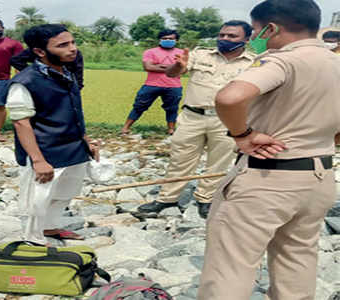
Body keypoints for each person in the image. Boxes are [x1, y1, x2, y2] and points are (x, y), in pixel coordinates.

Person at [197, 1, 340, 299]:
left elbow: (230, 97)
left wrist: (243, 135)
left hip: (268, 178)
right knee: (297, 258)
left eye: (257, 31)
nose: (254, 39)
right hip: (319, 177)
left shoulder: (281, 60)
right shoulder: (335, 62)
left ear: (271, 28)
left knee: (231, 265)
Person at [137, 21, 254, 218]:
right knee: (180, 159)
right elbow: (173, 73)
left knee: (218, 163)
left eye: (232, 36)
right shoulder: (200, 54)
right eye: (222, 35)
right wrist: (177, 66)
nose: (224, 39)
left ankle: (206, 199)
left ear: (247, 39)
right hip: (192, 116)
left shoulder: (253, 62)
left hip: (227, 121)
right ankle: (166, 199)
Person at [4, 24, 99, 244]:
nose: (72, 49)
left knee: (64, 192)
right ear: (39, 51)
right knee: (38, 198)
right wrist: (38, 160)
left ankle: (50, 228)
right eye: (63, 45)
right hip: (45, 150)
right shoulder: (25, 82)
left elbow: (74, 110)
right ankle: (33, 240)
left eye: (73, 42)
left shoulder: (67, 72)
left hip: (73, 145)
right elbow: (21, 123)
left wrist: (86, 141)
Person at [121, 29, 184, 135]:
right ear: (159, 40)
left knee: (172, 108)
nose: (167, 40)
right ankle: (126, 127)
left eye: (171, 38)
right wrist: (173, 68)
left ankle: (171, 129)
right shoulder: (150, 52)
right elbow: (148, 67)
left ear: (176, 40)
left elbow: (183, 69)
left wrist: (159, 65)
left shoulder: (181, 53)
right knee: (139, 105)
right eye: (164, 38)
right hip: (151, 85)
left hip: (174, 86)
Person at [10, 47, 84, 90]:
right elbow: (16, 60)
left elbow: (78, 73)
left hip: (65, 86)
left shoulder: (74, 53)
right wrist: (33, 73)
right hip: (41, 86)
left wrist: (76, 88)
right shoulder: (38, 50)